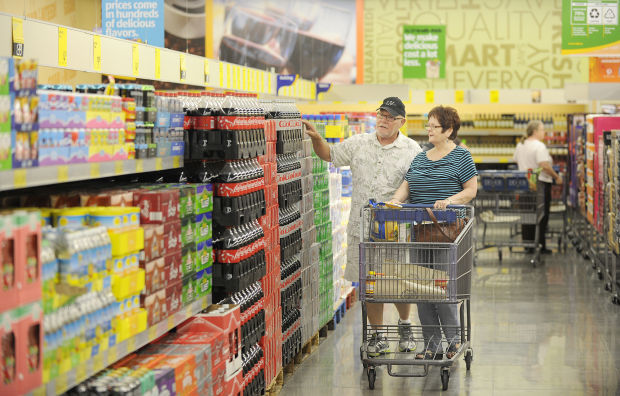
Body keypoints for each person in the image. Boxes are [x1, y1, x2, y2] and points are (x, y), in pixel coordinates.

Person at [302, 97, 422, 356]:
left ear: (402, 121)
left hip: (396, 230)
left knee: (398, 282)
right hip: (362, 228)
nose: (383, 120)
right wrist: (315, 138)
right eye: (381, 115)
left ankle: (404, 326)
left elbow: (417, 183)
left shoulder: (412, 150)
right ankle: (378, 335)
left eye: (390, 117)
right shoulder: (358, 143)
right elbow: (330, 155)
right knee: (371, 284)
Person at [389, 105, 478, 360]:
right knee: (421, 289)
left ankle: (452, 341)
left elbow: (471, 190)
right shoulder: (420, 157)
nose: (428, 130)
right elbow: (406, 185)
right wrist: (395, 200)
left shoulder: (461, 156)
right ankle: (432, 345)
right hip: (420, 231)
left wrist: (451, 200)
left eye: (434, 126)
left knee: (442, 289)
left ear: (449, 130)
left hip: (447, 234)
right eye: (427, 125)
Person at [513, 120, 562, 254]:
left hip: (524, 183)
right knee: (541, 215)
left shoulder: (520, 145)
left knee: (527, 215)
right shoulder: (539, 146)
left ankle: (528, 244)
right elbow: (544, 165)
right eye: (542, 130)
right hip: (539, 183)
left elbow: (516, 160)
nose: (544, 132)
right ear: (535, 132)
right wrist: (556, 177)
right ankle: (540, 244)